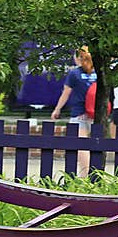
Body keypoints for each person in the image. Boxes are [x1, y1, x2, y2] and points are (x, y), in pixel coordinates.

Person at [51, 46, 97, 177]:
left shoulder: (75, 74)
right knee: (96, 144)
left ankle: (84, 175)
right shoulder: (98, 73)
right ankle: (96, 173)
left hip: (79, 113)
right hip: (96, 114)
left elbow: (66, 93)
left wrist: (57, 109)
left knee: (81, 145)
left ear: (78, 58)